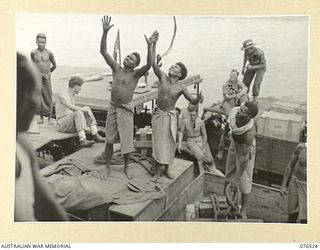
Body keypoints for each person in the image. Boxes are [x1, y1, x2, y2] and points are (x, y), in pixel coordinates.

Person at [95, 15, 157, 179]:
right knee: (109, 139)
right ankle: (107, 167)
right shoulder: (116, 68)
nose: (127, 58)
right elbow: (103, 51)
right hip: (113, 107)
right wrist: (105, 32)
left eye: (131, 58)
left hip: (126, 110)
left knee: (127, 142)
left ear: (135, 65)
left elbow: (150, 64)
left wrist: (149, 46)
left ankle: (126, 167)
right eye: (128, 56)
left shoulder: (136, 74)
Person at [16, 52, 68, 221]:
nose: (34, 102)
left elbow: (46, 204)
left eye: (34, 94)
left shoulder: (22, 144)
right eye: (24, 95)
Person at [151, 45, 203, 179]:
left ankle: (167, 168)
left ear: (180, 74)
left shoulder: (181, 86)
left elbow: (192, 100)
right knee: (158, 142)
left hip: (170, 116)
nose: (172, 67)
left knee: (169, 142)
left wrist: (198, 98)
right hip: (158, 114)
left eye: (176, 67)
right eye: (172, 66)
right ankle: (157, 170)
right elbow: (152, 64)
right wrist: (152, 45)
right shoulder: (162, 77)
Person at [224, 101, 259, 220]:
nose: (239, 111)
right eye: (240, 108)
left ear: (249, 117)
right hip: (235, 143)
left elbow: (244, 159)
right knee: (228, 174)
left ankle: (243, 209)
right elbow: (228, 126)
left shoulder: (249, 134)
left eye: (243, 111)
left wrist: (237, 177)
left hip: (245, 148)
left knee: (245, 180)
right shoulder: (234, 112)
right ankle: (230, 205)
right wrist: (225, 138)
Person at [55, 76, 105, 148]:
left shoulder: (72, 95)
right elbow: (70, 106)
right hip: (63, 123)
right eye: (80, 87)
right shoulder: (62, 95)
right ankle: (82, 140)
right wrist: (83, 110)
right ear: (75, 86)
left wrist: (85, 110)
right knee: (79, 112)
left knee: (87, 108)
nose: (80, 89)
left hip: (71, 122)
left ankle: (95, 134)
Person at [178, 109, 222, 175]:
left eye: (194, 115)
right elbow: (181, 132)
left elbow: (204, 135)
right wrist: (179, 144)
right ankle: (203, 174)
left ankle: (216, 173)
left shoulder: (200, 122)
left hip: (200, 140)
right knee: (201, 158)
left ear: (197, 115)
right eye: (191, 115)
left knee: (210, 160)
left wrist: (204, 147)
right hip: (191, 141)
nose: (192, 117)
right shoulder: (185, 122)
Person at [280, 125, 307, 223]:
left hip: (309, 187)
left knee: (306, 218)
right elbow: (290, 166)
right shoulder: (300, 147)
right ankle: (290, 236)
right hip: (295, 183)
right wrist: (283, 185)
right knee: (292, 215)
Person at [31, 33, 57, 124]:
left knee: (49, 96)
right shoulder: (33, 53)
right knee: (40, 96)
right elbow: (32, 66)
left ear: (46, 42)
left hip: (47, 77)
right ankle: (41, 117)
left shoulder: (49, 53)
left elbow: (54, 65)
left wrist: (48, 73)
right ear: (36, 42)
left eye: (43, 42)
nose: (41, 44)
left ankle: (50, 118)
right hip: (38, 77)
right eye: (39, 42)